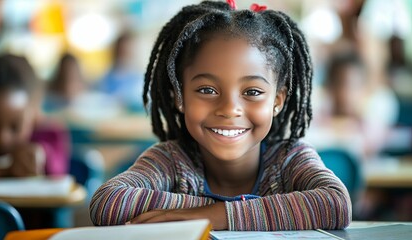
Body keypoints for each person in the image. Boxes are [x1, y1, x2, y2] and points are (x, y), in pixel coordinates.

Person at [90, 0, 351, 231]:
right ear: (179, 96)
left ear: (277, 100)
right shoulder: (171, 160)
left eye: (252, 91)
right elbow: (110, 201)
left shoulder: (289, 159)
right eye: (207, 89)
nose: (229, 108)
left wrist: (215, 215)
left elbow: (335, 203)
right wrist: (270, 212)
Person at [0, 54, 70, 178]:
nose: (2, 139)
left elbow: (58, 170)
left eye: (15, 127)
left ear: (33, 114)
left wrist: (42, 156)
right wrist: (4, 171)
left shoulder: (48, 137)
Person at [94, 30, 145, 113]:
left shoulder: (138, 77)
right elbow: (101, 99)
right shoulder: (107, 76)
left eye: (128, 50)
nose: (125, 53)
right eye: (122, 50)